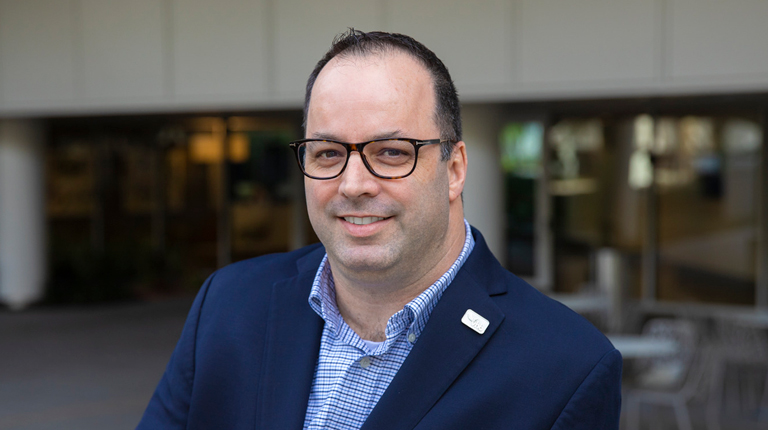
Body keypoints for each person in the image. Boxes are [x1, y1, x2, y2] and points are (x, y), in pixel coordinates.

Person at [137, 29, 622, 430]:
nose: (353, 185)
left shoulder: (566, 368)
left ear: (454, 168)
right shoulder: (228, 304)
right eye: (327, 153)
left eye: (391, 152)